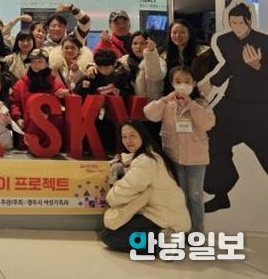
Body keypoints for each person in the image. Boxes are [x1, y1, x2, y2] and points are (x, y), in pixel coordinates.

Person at [204, 2, 268, 213]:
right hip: (232, 104)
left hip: (259, 107)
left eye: (241, 23)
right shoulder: (224, 40)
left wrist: (258, 67)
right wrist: (211, 82)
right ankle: (221, 193)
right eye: (233, 23)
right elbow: (231, 65)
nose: (237, 27)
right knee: (213, 142)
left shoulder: (264, 41)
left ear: (249, 21)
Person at [100, 120, 191, 252]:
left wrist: (110, 197)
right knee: (113, 228)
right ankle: (163, 237)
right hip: (159, 213)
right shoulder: (148, 155)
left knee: (110, 236)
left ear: (142, 135)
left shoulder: (146, 161)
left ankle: (164, 241)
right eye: (124, 137)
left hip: (163, 216)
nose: (128, 141)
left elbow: (124, 191)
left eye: (132, 135)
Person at [144, 66, 215, 232]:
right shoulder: (167, 103)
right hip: (173, 156)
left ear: (194, 83)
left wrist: (190, 104)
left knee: (195, 196)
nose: (182, 85)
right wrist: (165, 99)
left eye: (187, 81)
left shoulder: (201, 103)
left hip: (196, 159)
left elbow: (207, 124)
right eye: (178, 81)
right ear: (172, 83)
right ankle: (181, 230)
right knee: (178, 196)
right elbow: (149, 114)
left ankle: (196, 232)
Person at [75, 49, 133, 155]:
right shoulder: (92, 75)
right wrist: (85, 86)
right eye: (100, 68)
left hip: (116, 115)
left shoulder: (123, 77)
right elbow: (77, 94)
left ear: (114, 64)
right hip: (94, 116)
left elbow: (130, 94)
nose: (103, 71)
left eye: (106, 68)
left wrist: (119, 92)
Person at [10, 49, 69, 150]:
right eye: (33, 61)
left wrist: (66, 96)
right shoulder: (21, 84)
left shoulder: (57, 84)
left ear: (47, 64)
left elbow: (66, 107)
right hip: (29, 130)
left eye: (40, 61)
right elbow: (15, 103)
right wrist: (17, 118)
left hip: (52, 135)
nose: (36, 64)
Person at [161, 19, 209, 94]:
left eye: (182, 32)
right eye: (174, 32)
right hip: (172, 94)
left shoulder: (203, 52)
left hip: (198, 94)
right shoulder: (163, 54)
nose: (177, 35)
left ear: (189, 34)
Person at [117, 31, 166, 101]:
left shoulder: (159, 61)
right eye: (135, 43)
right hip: (132, 104)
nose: (138, 46)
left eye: (142, 43)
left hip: (154, 104)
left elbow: (156, 76)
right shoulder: (123, 61)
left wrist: (151, 53)